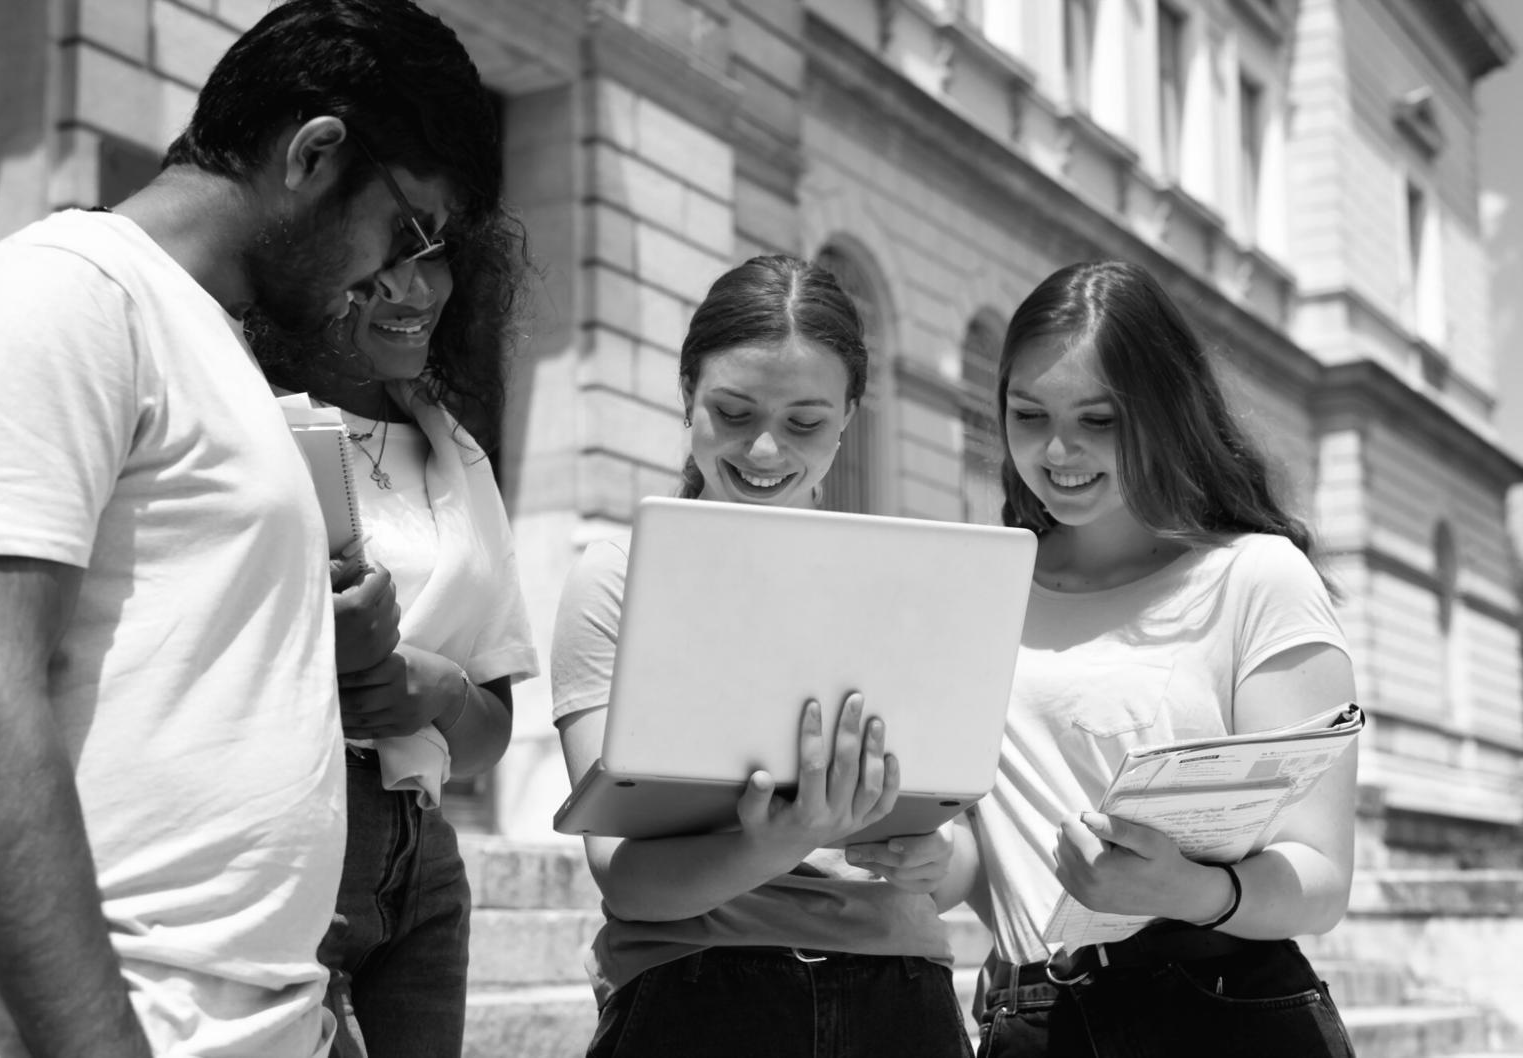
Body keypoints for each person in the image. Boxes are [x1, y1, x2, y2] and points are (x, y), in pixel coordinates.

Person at [0, 2, 498, 1055]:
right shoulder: (66, 293)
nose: (394, 276)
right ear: (314, 154)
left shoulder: (215, 345)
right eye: (405, 228)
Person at [551, 255, 979, 1058]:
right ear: (687, 394)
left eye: (805, 423)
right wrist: (780, 840)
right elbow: (626, 877)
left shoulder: (908, 584)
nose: (766, 449)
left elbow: (957, 869)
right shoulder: (619, 579)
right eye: (733, 412)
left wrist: (931, 861)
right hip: (699, 990)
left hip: (902, 994)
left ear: (849, 416)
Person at [966, 260, 1358, 1057]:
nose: (1059, 449)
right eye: (1028, 414)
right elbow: (985, 860)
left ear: (1165, 412)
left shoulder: (1256, 576)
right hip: (1030, 1020)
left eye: (1099, 419)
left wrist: (1186, 889)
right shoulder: (981, 588)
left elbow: (1320, 881)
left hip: (1219, 1009)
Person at [249, 206, 538, 1058]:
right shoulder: (241, 417)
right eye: (383, 262)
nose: (413, 290)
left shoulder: (459, 454)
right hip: (289, 823)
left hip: (425, 861)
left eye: (434, 256)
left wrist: (437, 691)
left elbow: (491, 733)